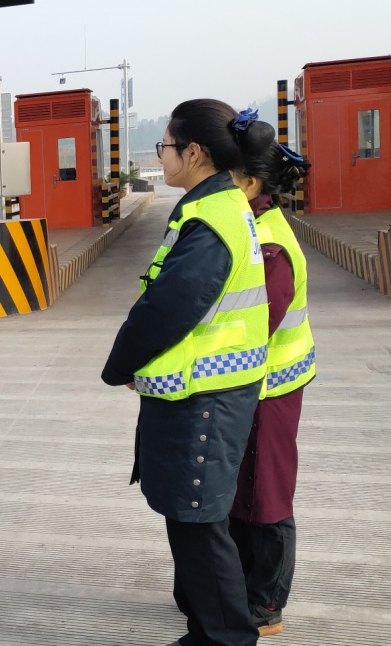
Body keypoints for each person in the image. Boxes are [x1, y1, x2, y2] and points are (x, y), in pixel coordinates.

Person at [102, 100, 271, 646]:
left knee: (199, 527)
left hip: (205, 399)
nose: (162, 157)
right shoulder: (220, 204)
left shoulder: (211, 219)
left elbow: (169, 307)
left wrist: (121, 363)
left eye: (165, 147)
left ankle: (227, 638)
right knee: (194, 523)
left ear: (193, 152)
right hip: (208, 393)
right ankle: (206, 631)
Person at [228, 128, 315, 638]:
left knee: (269, 494)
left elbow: (258, 323)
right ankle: (244, 589)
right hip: (256, 385)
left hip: (272, 386)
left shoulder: (269, 244)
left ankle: (267, 603)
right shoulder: (252, 225)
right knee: (247, 488)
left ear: (250, 182)